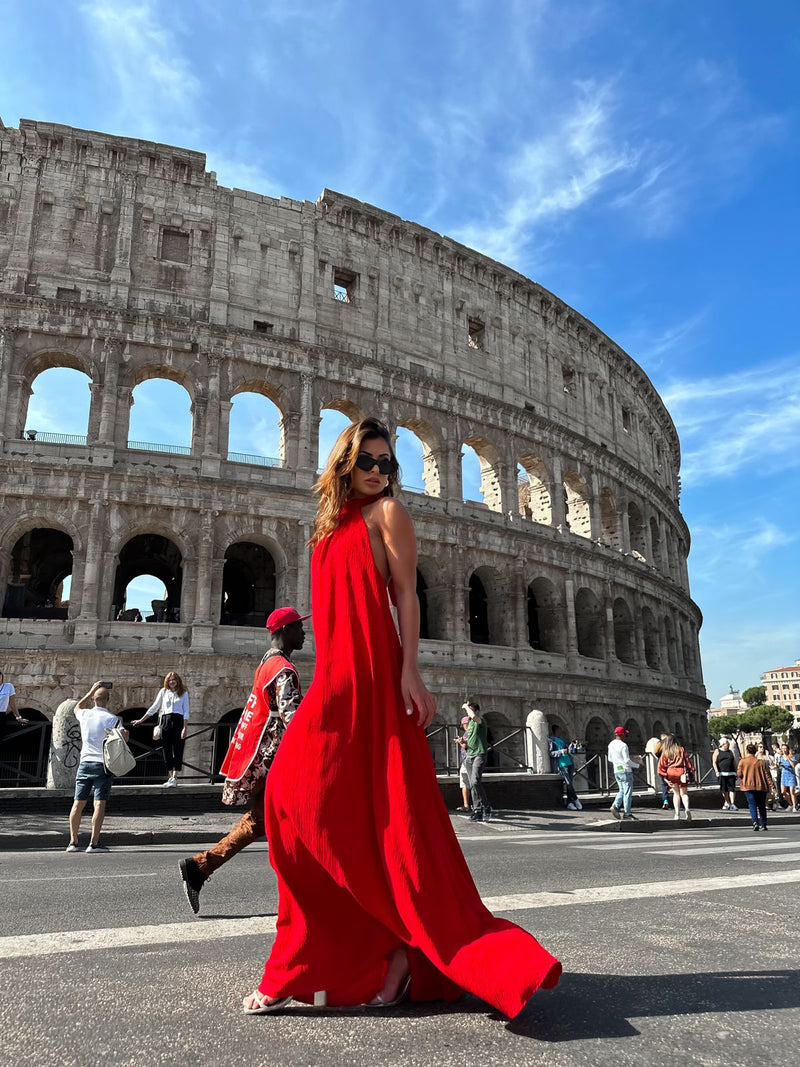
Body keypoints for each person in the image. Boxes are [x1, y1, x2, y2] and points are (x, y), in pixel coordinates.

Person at [243, 417, 561, 1016]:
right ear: (345, 463)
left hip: (374, 672)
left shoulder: (390, 516)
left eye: (388, 465)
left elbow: (407, 595)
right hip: (334, 674)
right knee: (290, 799)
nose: (379, 473)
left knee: (384, 820)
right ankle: (332, 955)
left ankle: (381, 958)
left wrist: (410, 669)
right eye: (369, 462)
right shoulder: (326, 526)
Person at [178, 606, 307, 914]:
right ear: (286, 631)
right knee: (298, 818)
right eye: (299, 628)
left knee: (262, 820)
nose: (304, 633)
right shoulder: (284, 669)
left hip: (260, 755)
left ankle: (201, 866)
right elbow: (293, 716)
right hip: (277, 758)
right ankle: (309, 894)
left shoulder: (267, 663)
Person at [67, 681, 127, 853]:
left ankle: (73, 841)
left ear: (93, 698)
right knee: (99, 803)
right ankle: (93, 843)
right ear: (108, 701)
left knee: (78, 803)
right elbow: (123, 739)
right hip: (103, 765)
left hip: (84, 763)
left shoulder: (84, 714)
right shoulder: (112, 719)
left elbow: (77, 706)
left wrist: (92, 688)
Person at [131, 671, 189, 786]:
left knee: (178, 749)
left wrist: (185, 728)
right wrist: (141, 720)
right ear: (167, 681)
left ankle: (175, 778)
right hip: (165, 720)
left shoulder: (183, 693)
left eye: (174, 679)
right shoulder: (163, 692)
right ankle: (170, 777)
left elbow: (186, 711)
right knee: (166, 749)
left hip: (178, 721)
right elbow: (155, 707)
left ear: (178, 681)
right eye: (170, 680)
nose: (172, 681)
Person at [463, 699, 492, 823]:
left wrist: (465, 706)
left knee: (475, 781)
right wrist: (462, 742)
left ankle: (486, 806)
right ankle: (478, 811)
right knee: (472, 784)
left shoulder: (481, 721)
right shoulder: (469, 725)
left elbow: (473, 716)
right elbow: (470, 741)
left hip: (479, 754)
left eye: (471, 710)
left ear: (477, 711)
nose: (469, 714)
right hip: (469, 756)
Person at [607, 726, 643, 821]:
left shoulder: (611, 744)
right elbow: (627, 761)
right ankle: (627, 813)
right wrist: (638, 765)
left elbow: (609, 759)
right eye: (625, 734)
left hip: (617, 770)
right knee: (627, 792)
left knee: (622, 790)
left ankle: (615, 806)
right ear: (622, 735)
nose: (626, 736)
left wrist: (618, 763)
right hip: (626, 771)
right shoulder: (623, 745)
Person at [738, 743, 774, 831]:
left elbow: (739, 774)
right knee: (762, 805)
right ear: (755, 751)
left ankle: (755, 822)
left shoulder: (742, 761)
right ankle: (764, 824)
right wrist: (772, 786)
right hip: (761, 786)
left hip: (747, 786)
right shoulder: (761, 762)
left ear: (747, 751)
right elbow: (767, 775)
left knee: (752, 804)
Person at [657, 734, 694, 821]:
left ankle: (677, 814)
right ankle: (687, 809)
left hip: (671, 772)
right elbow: (687, 761)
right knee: (684, 794)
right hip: (681, 772)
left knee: (676, 794)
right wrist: (691, 769)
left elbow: (661, 765)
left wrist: (665, 777)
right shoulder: (681, 749)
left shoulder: (665, 751)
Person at [549, 727, 581, 810]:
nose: (561, 732)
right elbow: (551, 753)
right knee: (568, 783)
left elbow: (570, 751)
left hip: (569, 763)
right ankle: (576, 799)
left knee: (570, 784)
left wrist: (573, 745)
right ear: (555, 731)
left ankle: (570, 803)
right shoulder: (552, 740)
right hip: (562, 764)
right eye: (559, 730)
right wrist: (561, 752)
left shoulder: (562, 740)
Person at [452, 714, 472, 813]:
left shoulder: (469, 733)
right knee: (468, 782)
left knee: (466, 782)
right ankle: (469, 805)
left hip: (468, 759)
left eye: (464, 724)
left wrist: (459, 742)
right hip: (468, 760)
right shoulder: (468, 733)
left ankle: (468, 805)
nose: (464, 726)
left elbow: (466, 746)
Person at [712, 739, 738, 811]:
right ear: (723, 744)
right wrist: (717, 771)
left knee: (732, 789)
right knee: (724, 789)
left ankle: (732, 804)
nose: (728, 745)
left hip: (731, 773)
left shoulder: (730, 752)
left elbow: (734, 762)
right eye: (727, 743)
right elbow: (714, 762)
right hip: (722, 773)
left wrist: (736, 771)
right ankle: (727, 801)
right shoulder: (717, 751)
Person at [776, 745, 797, 811]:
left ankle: (794, 806)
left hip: (791, 775)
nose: (784, 750)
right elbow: (778, 765)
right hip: (784, 775)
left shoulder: (792, 757)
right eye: (783, 749)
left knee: (792, 792)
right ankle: (790, 804)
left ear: (788, 749)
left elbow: (793, 765)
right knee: (783, 792)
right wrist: (778, 764)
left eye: (785, 748)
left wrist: (789, 759)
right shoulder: (780, 757)